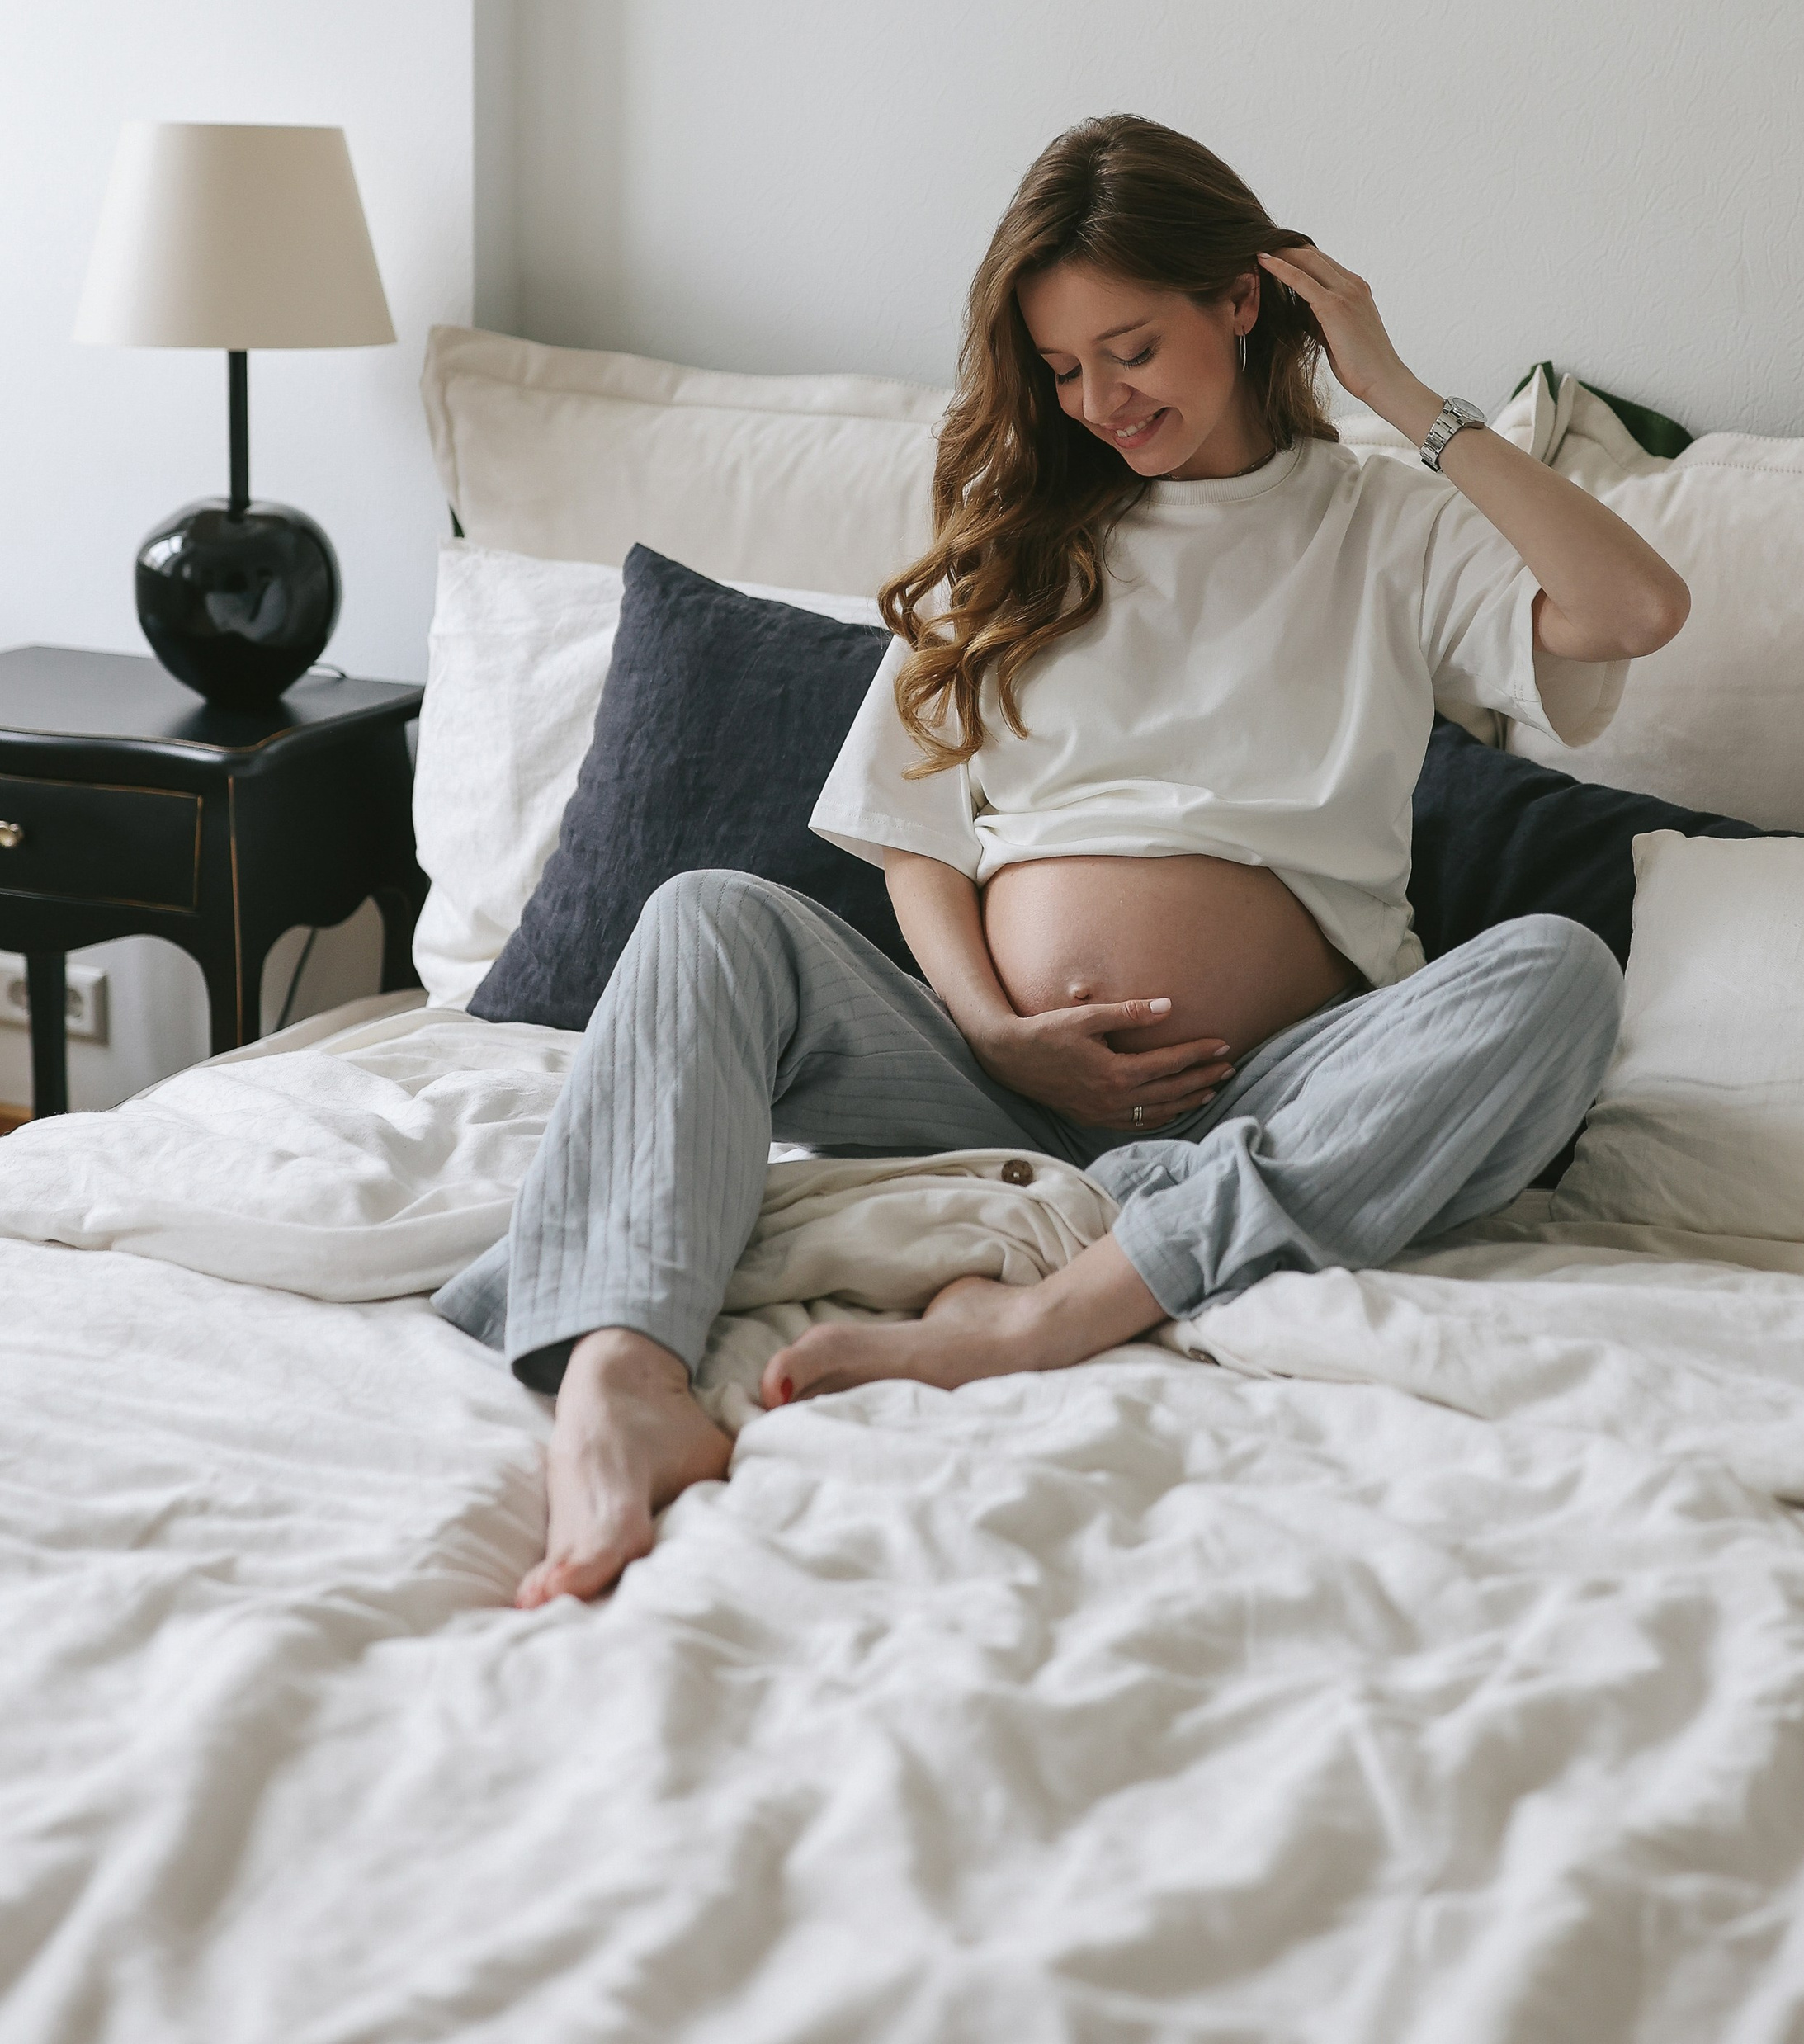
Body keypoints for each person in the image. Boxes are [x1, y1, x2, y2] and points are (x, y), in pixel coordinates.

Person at [435, 116, 1689, 1606]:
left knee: (1559, 973)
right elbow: (913, 842)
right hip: (985, 1076)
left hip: (1274, 1087)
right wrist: (994, 1029)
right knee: (707, 915)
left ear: (1241, 298)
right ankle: (620, 1376)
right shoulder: (1017, 537)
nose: (1100, 401)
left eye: (1132, 349)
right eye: (1062, 369)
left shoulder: (1384, 525)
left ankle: (1051, 1313)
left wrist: (1401, 394)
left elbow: (1633, 609)